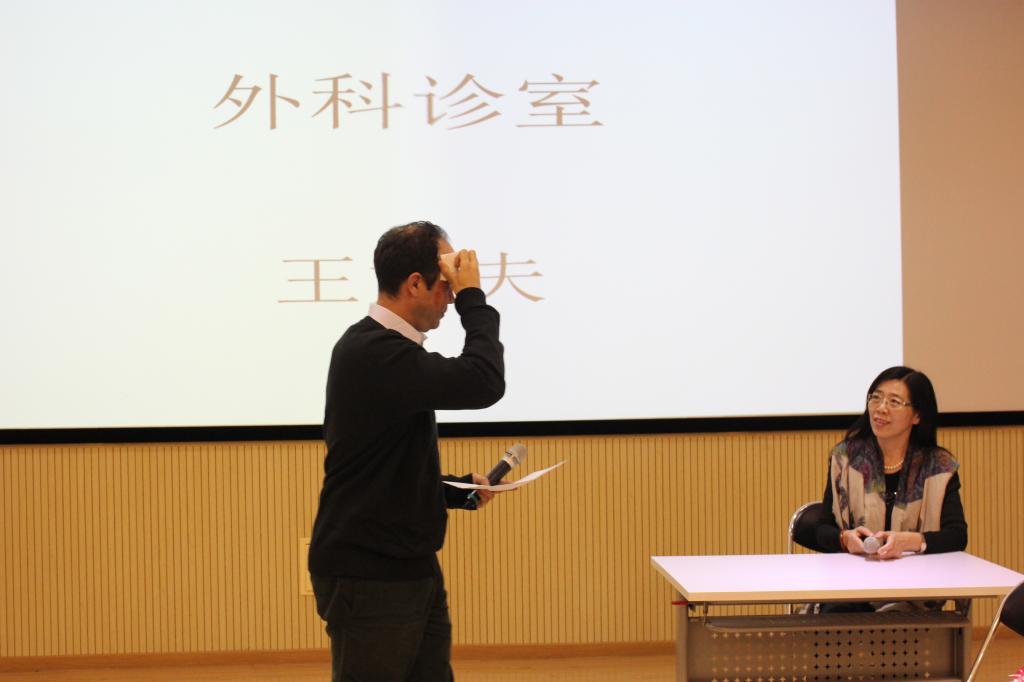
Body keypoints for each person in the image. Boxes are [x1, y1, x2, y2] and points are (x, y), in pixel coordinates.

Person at [308, 220, 505, 681]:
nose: (451, 297)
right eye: (446, 285)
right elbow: (483, 381)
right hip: (371, 573)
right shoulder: (375, 352)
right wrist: (474, 298)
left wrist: (456, 489)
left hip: (407, 564)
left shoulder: (387, 351)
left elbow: (383, 465)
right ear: (415, 283)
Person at [815, 366, 967, 561]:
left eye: (894, 402)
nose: (881, 408)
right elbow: (822, 528)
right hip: (857, 572)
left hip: (919, 574)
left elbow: (957, 536)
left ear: (917, 415)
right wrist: (844, 538)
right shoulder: (846, 459)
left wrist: (910, 541)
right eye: (876, 398)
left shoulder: (938, 466)